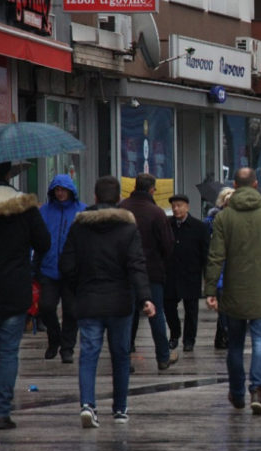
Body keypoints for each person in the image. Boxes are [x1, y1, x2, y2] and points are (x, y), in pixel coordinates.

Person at [59, 176, 156, 428]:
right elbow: (136, 265)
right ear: (118, 199)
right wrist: (145, 297)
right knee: (121, 354)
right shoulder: (128, 229)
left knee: (89, 353)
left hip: (88, 300)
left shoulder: (78, 228)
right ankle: (120, 408)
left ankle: (88, 405)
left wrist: (78, 288)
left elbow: (66, 265)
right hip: (120, 302)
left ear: (95, 197)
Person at [204, 167, 261, 415]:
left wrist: (210, 289)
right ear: (256, 185)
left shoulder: (223, 217)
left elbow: (215, 257)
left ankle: (236, 392)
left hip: (234, 290)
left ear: (235, 184)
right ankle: (257, 390)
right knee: (259, 340)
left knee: (234, 344)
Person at [0, 162, 50, 429]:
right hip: (14, 289)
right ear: (7, 173)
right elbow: (44, 242)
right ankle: (3, 412)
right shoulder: (23, 206)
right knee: (8, 351)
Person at [119, 173, 177, 370]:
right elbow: (168, 244)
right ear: (151, 189)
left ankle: (124, 358)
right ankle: (163, 356)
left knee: (128, 315)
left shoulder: (122, 208)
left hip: (126, 272)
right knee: (156, 313)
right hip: (152, 271)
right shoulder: (156, 212)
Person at [37, 174, 87, 363]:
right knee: (46, 306)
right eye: (57, 190)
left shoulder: (82, 211)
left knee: (71, 311)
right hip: (49, 268)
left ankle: (67, 348)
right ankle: (54, 337)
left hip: (73, 270)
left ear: (70, 191)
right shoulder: (45, 211)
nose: (60, 193)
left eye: (63, 190)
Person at [164, 194, 209, 352]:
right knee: (168, 306)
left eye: (179, 205)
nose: (176, 209)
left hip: (191, 274)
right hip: (170, 274)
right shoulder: (167, 225)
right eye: (173, 206)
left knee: (191, 310)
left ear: (187, 207)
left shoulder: (199, 227)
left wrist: (206, 276)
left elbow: (205, 253)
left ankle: (189, 340)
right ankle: (175, 333)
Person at [205, 187, 235, 349]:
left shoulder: (239, 221)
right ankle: (226, 334)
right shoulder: (213, 220)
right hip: (221, 269)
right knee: (224, 306)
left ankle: (222, 337)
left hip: (234, 270)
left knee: (226, 307)